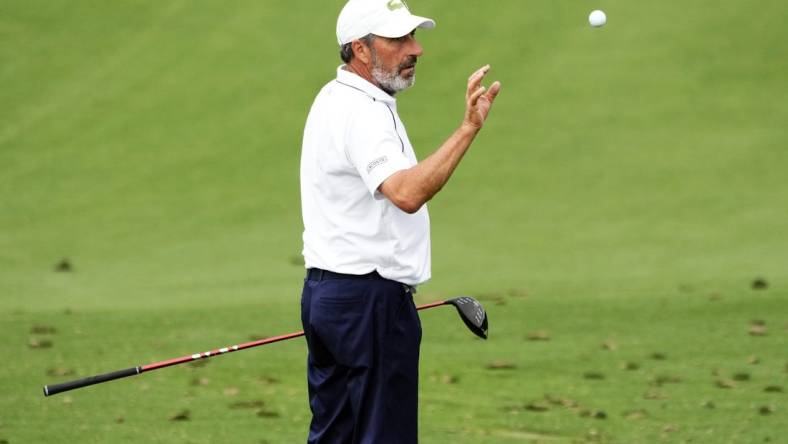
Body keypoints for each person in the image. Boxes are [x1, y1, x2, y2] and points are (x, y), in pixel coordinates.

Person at [299, 0, 500, 442]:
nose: (416, 49)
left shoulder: (336, 96)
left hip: (329, 296)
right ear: (361, 49)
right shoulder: (362, 112)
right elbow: (406, 193)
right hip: (367, 302)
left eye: (414, 36)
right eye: (398, 39)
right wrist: (467, 129)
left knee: (336, 435)